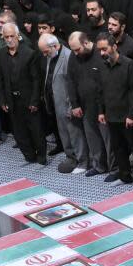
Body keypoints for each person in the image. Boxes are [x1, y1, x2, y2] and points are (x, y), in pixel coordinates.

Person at [96, 32, 133, 186]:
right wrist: (101, 111)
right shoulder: (102, 67)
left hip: (127, 116)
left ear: (114, 46)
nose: (102, 53)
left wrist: (132, 114)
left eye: (104, 49)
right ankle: (124, 176)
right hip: (111, 114)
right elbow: (100, 90)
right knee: (118, 148)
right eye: (100, 50)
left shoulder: (129, 64)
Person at [0, 23, 45, 164]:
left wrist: (35, 101)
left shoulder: (29, 53)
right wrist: (2, 100)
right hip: (11, 99)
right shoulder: (0, 54)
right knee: (19, 130)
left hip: (28, 99)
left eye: (12, 36)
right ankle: (29, 155)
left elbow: (36, 80)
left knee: (36, 129)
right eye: (6, 37)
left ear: (18, 36)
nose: (9, 39)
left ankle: (41, 155)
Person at [37, 33, 88, 175]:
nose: (44, 55)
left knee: (76, 134)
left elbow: (75, 84)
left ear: (54, 46)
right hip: (56, 103)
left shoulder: (69, 56)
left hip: (69, 105)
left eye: (46, 51)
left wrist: (73, 105)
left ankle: (83, 161)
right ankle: (71, 157)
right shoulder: (50, 56)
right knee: (65, 134)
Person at [67, 31, 108, 176]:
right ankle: (98, 166)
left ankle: (114, 168)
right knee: (92, 138)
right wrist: (74, 103)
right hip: (84, 104)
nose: (76, 53)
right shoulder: (74, 55)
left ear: (85, 43)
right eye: (73, 50)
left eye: (77, 49)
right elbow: (70, 80)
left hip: (102, 105)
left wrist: (102, 108)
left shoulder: (100, 53)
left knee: (107, 138)